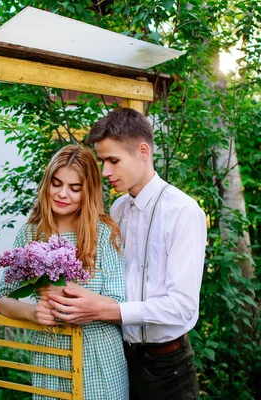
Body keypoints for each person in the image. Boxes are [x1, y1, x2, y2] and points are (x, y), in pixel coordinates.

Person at [47, 108, 207, 399]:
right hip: (119, 361)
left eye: (113, 161)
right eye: (102, 161)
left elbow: (182, 306)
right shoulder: (118, 209)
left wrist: (109, 311)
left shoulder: (183, 212)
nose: (105, 171)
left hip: (166, 368)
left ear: (143, 151)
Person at [0, 145, 129, 399]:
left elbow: (120, 303)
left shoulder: (104, 232)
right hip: (50, 352)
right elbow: (1, 299)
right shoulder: (31, 234)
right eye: (57, 184)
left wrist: (75, 297)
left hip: (98, 353)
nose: (63, 194)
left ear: (88, 192)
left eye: (75, 188)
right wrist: (32, 313)